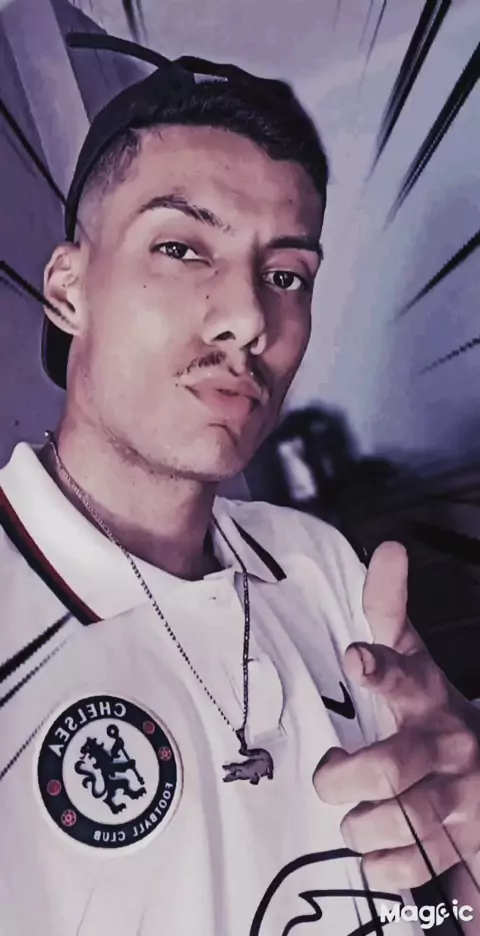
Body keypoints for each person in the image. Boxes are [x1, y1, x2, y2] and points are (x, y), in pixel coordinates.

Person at [1, 54, 479, 936]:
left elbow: (452, 907)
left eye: (287, 275)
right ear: (67, 289)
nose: (251, 318)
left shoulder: (325, 570)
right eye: (182, 249)